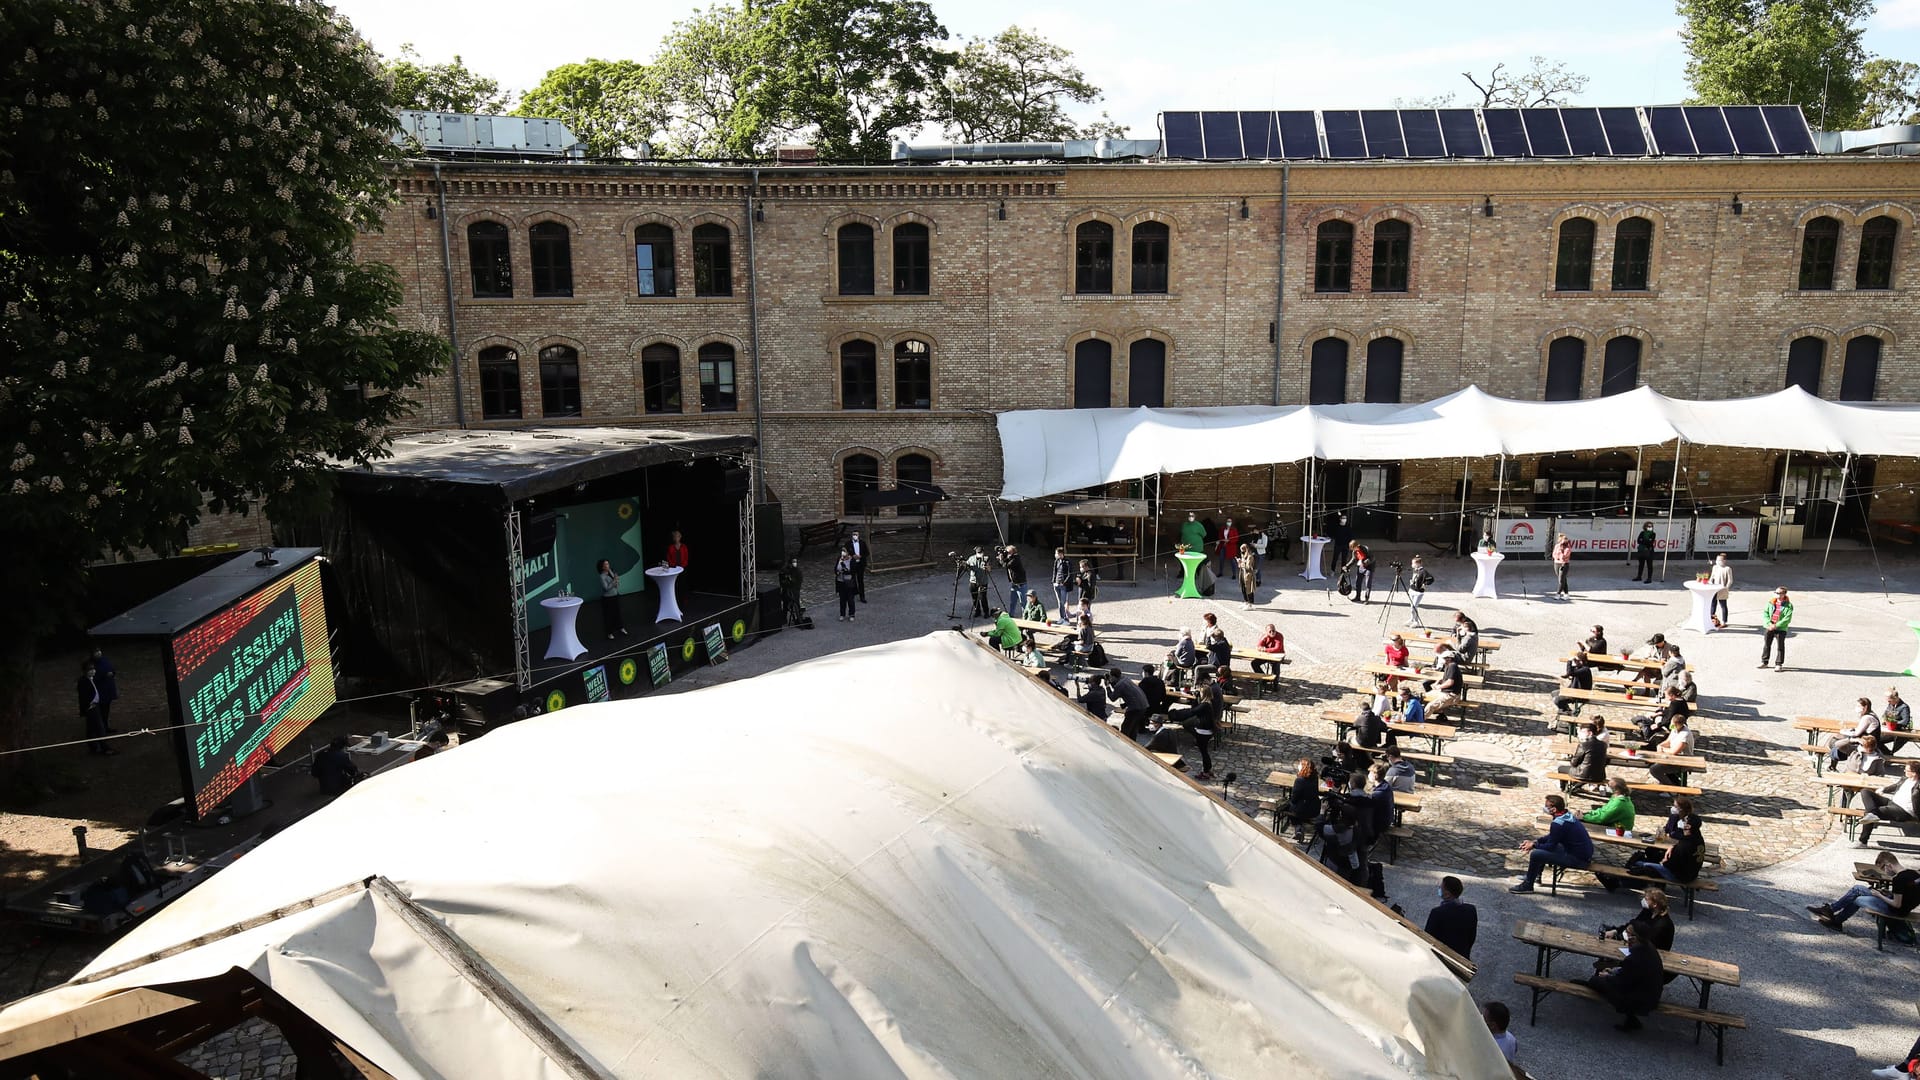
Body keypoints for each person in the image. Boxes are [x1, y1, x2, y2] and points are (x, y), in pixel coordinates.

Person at [1580, 920, 1664, 1031]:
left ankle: (1631, 1020)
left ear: (1634, 938)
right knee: (1605, 980)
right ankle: (1631, 1019)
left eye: (1628, 933)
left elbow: (1621, 983)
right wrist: (1614, 972)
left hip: (1641, 1000)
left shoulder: (1635, 957)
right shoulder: (1649, 948)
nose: (1625, 934)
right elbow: (1630, 975)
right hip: (1651, 994)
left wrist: (1607, 976)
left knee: (1597, 981)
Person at [1807, 857, 1920, 933]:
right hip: (1903, 908)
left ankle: (1835, 917)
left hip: (1894, 910)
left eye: (1884, 868)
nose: (1885, 872)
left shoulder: (1899, 878)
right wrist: (1889, 893)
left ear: (1889, 865)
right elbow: (1906, 895)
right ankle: (1833, 914)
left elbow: (1896, 904)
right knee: (1857, 889)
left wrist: (1879, 895)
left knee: (1857, 898)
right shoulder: (1914, 875)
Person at [1510, 794, 1594, 893]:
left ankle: (1528, 885)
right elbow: (1553, 837)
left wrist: (1533, 846)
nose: (1545, 808)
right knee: (1540, 849)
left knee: (1536, 854)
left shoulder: (1558, 824)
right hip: (1582, 853)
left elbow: (1550, 846)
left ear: (1554, 809)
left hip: (1578, 859)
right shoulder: (1567, 816)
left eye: (1547, 806)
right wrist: (1536, 842)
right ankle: (1534, 875)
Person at [1627, 814, 1705, 885]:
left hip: (1679, 877)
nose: (1681, 821)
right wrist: (1673, 847)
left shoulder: (1684, 846)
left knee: (1639, 863)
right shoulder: (1698, 838)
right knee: (1654, 857)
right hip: (1691, 874)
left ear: (1688, 826)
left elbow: (1670, 865)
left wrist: (1663, 861)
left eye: (1684, 820)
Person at [1857, 761, 1920, 846]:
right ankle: (1872, 813)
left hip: (1904, 811)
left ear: (1914, 773)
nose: (1904, 771)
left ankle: (1862, 841)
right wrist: (1883, 789)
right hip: (1892, 802)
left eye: (1907, 770)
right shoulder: (1905, 779)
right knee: (1865, 791)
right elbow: (1896, 785)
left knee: (1871, 813)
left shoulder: (1918, 786)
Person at [1424, 875, 1479, 960]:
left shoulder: (1437, 913)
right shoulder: (1471, 909)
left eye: (1441, 888)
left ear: (1447, 894)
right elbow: (1472, 936)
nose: (1439, 889)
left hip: (1441, 958)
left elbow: (1427, 937)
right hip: (1462, 957)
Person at [1826, 697, 1882, 770]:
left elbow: (1856, 733)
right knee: (1836, 737)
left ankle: (1829, 762)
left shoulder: (1867, 718)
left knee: (1836, 738)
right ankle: (1830, 764)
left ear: (1865, 707)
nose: (1857, 708)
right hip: (1867, 741)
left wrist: (1844, 731)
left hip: (1865, 744)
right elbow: (1859, 730)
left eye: (1859, 706)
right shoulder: (1871, 714)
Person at [76, 661, 116, 757]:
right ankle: (104, 748)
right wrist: (89, 705)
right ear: (85, 671)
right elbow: (83, 696)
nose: (93, 671)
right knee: (99, 728)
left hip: (95, 706)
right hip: (91, 708)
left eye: (93, 669)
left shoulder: (92, 679)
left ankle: (94, 747)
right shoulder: (83, 681)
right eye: (90, 670)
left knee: (91, 729)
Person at [1837, 736, 1891, 805]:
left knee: (1870, 795)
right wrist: (1852, 740)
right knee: (1847, 790)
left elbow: (1881, 775)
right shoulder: (1854, 751)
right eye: (1866, 746)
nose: (1869, 749)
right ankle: (1844, 808)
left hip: (1866, 783)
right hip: (1851, 779)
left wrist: (1869, 777)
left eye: (1871, 746)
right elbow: (1838, 745)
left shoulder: (1878, 758)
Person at [1345, 700, 1394, 771]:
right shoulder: (1377, 718)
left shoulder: (1362, 717)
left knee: (1349, 738)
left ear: (1361, 710)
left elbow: (1355, 724)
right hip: (1373, 743)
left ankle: (1348, 758)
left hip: (1362, 742)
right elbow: (1384, 726)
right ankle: (1367, 756)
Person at [1648, 717, 1697, 786]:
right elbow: (1668, 741)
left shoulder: (1685, 735)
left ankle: (1671, 789)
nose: (1671, 726)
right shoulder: (1675, 729)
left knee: (1654, 769)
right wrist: (1660, 745)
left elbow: (1674, 751)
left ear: (1678, 725)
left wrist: (1663, 749)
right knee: (1651, 763)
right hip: (1672, 758)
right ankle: (1675, 784)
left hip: (1682, 761)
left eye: (1672, 724)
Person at [1564, 722, 1610, 792]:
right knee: (1589, 771)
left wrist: (1572, 758)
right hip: (1599, 776)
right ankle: (1575, 786)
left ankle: (1564, 788)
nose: (1581, 734)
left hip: (1583, 775)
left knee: (1561, 768)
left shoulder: (1583, 745)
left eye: (1583, 732)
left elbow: (1574, 763)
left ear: (1590, 733)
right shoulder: (1603, 745)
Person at [1107, 667, 1151, 738]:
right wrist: (1112, 682)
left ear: (1113, 676)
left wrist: (1107, 687)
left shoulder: (1120, 685)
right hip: (1143, 705)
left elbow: (1112, 698)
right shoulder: (1126, 679)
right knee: (1134, 728)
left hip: (1135, 708)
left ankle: (1124, 743)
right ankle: (1132, 741)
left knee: (1126, 728)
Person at [1285, 758, 1321, 842]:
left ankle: (1298, 828)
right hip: (1315, 808)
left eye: (1300, 764)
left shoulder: (1299, 780)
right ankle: (1299, 830)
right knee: (1298, 807)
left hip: (1304, 810)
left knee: (1287, 807)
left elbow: (1294, 798)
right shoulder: (1315, 778)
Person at [1760, 585, 1794, 671]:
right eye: (1776, 593)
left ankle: (1779, 664)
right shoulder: (1771, 602)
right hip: (1770, 626)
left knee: (1780, 646)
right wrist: (1769, 623)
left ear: (1784, 594)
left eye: (1779, 593)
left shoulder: (1789, 605)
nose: (1777, 594)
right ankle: (1764, 662)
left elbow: (1787, 618)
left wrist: (1776, 625)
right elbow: (1765, 613)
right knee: (1767, 645)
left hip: (1780, 628)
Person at [1554, 645, 1593, 715]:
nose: (1575, 662)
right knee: (1554, 693)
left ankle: (1569, 713)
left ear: (1581, 661)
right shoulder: (1579, 667)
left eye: (1576, 660)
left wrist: (1569, 661)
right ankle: (1566, 709)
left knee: (1557, 700)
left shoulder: (1585, 670)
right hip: (1574, 691)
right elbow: (1570, 672)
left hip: (1580, 695)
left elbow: (1570, 673)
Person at [87, 647, 119, 733]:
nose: (98, 653)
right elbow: (92, 677)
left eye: (98, 651)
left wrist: (112, 673)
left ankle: (105, 726)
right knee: (101, 711)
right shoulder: (91, 664)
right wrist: (104, 675)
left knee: (106, 709)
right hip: (100, 691)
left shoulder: (104, 660)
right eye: (96, 652)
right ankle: (101, 728)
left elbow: (111, 668)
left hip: (108, 689)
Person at [1428, 648, 1464, 721]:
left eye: (1443, 658)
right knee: (1425, 696)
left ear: (1449, 659)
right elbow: (1444, 678)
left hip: (1452, 695)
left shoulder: (1452, 666)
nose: (1442, 660)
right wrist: (1436, 682)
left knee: (1430, 706)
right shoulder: (1448, 665)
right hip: (1445, 692)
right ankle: (1441, 714)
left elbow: (1450, 682)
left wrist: (1439, 687)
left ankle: (1419, 720)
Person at [596, 558, 628, 640]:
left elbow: (615, 583)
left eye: (608, 564)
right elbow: (606, 588)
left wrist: (616, 581)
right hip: (607, 599)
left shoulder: (611, 571)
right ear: (602, 567)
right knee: (608, 616)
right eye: (606, 564)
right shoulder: (601, 576)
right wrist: (614, 581)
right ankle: (609, 633)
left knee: (617, 613)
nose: (608, 565)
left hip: (615, 596)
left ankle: (621, 628)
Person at [1406, 555, 1434, 629]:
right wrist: (1412, 581)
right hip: (1412, 590)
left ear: (1418, 564)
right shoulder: (1415, 570)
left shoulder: (1423, 571)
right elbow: (1415, 578)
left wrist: (1425, 584)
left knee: (1414, 607)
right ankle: (1412, 619)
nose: (1412, 565)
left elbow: (1431, 579)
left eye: (1413, 563)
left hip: (1418, 592)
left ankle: (1416, 621)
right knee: (1411, 606)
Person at [1049, 547, 1076, 623]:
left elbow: (1069, 574)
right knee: (1059, 602)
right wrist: (1053, 581)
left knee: (1063, 602)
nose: (1055, 555)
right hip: (1056, 584)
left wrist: (1064, 582)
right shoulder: (1056, 561)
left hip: (1064, 586)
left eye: (1057, 553)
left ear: (1061, 554)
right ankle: (1061, 617)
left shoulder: (1067, 562)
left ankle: (1065, 618)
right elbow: (1055, 572)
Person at [964, 546, 992, 618]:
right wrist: (964, 565)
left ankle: (986, 612)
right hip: (973, 581)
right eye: (978, 552)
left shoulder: (986, 558)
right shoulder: (971, 558)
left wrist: (987, 567)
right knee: (974, 597)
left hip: (983, 581)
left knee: (983, 598)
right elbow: (966, 566)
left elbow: (989, 570)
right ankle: (977, 611)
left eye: (981, 552)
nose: (980, 554)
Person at [1708, 553, 1733, 626]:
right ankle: (1711, 618)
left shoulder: (1727, 569)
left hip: (1722, 590)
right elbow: (1712, 577)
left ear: (1724, 561)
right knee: (1713, 604)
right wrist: (1709, 583)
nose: (1717, 561)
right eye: (1717, 560)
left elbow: (1730, 580)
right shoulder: (1715, 567)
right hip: (1714, 589)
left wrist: (1726, 588)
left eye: (1719, 560)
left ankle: (1724, 621)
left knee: (1723, 605)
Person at [1001, 544, 1028, 613]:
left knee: (1023, 603)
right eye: (1007, 552)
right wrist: (1003, 556)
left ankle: (1026, 617)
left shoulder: (1016, 559)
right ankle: (1011, 615)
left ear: (1013, 552)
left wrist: (1002, 559)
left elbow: (1007, 565)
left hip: (1021, 584)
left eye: (1009, 552)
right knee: (1012, 602)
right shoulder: (1010, 558)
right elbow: (1001, 564)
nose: (1007, 553)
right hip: (1014, 584)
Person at [777, 557, 805, 624]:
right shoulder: (784, 570)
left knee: (797, 602)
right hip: (786, 589)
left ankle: (799, 617)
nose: (794, 563)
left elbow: (799, 580)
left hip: (795, 590)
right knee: (785, 603)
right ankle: (784, 618)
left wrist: (793, 582)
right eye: (793, 562)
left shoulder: (797, 571)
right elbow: (781, 581)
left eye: (795, 562)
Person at [834, 547, 858, 622]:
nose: (843, 552)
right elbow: (835, 568)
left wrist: (845, 571)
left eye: (844, 551)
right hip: (840, 582)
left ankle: (852, 614)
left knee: (850, 599)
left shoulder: (852, 560)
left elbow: (853, 571)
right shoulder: (839, 558)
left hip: (849, 582)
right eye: (842, 551)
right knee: (842, 600)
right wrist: (837, 572)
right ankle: (842, 614)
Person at [846, 530, 868, 602]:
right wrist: (853, 556)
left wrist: (860, 556)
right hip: (852, 564)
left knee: (860, 580)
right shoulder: (848, 543)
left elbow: (866, 552)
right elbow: (845, 553)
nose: (855, 536)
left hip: (860, 564)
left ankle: (862, 596)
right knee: (852, 580)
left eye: (856, 534)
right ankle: (852, 593)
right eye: (854, 534)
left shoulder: (862, 543)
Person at [1552, 531, 1573, 598]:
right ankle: (1566, 594)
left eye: (1566, 540)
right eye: (1564, 540)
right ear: (1560, 540)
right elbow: (1554, 554)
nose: (1565, 541)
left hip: (1564, 564)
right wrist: (1557, 557)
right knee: (1563, 579)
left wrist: (1561, 552)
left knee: (1561, 580)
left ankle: (1558, 594)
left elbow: (1564, 556)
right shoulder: (1557, 546)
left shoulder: (1568, 547)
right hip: (1556, 563)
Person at [1236, 544, 1257, 608]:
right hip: (1242, 573)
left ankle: (1250, 604)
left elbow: (1248, 567)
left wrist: (1242, 563)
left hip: (1248, 575)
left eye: (1242, 550)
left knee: (1248, 589)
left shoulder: (1250, 556)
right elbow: (1240, 566)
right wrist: (1239, 562)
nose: (1241, 552)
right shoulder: (1243, 556)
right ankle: (1246, 602)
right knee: (1243, 588)